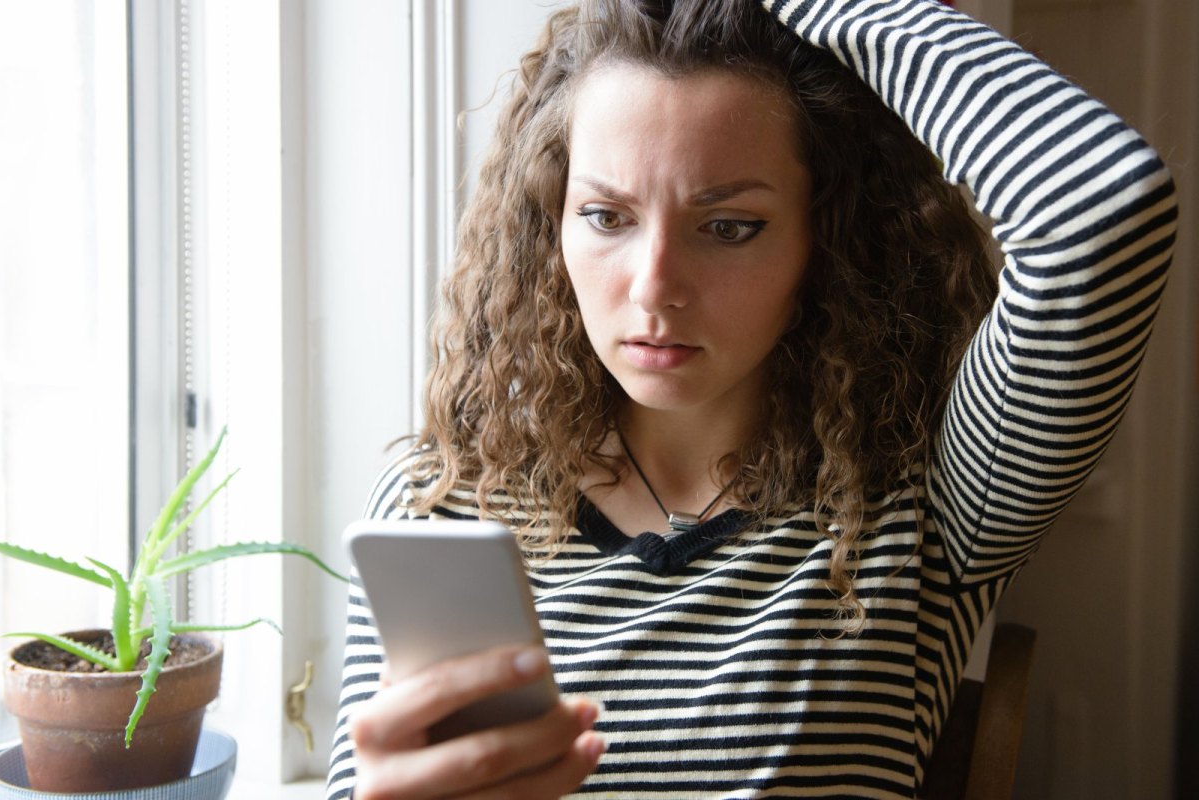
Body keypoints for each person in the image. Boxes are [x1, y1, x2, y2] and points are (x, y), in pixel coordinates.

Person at [326, 0, 1177, 796]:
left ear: (830, 238)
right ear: (551, 218)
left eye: (728, 226)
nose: (655, 287)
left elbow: (1104, 211)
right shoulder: (437, 505)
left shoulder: (925, 505)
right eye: (606, 216)